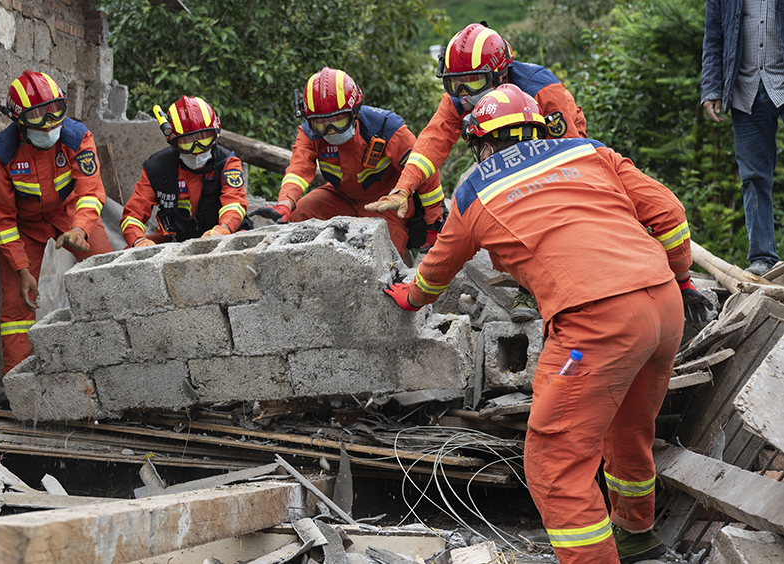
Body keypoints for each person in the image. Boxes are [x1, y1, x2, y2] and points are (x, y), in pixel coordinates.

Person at [382, 85, 712, 564]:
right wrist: (681, 278)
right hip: (663, 305)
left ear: (483, 143)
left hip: (596, 325)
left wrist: (410, 298)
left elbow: (437, 267)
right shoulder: (590, 151)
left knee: (554, 460)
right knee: (628, 430)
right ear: (537, 129)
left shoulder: (476, 188)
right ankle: (637, 538)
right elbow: (670, 214)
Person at [368, 22, 588, 322]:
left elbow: (571, 155)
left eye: (472, 81)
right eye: (454, 83)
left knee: (545, 208)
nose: (462, 92)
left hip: (551, 149)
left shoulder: (542, 90)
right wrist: (403, 187)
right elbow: (431, 143)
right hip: (497, 150)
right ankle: (528, 277)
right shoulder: (460, 98)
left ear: (500, 73)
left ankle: (542, 284)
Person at [0, 70, 114, 374]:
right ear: (19, 120)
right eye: (38, 115)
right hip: (24, 226)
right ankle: (18, 383)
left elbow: (90, 191)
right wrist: (22, 269)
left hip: (70, 214)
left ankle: (114, 361)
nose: (49, 121)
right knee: (18, 308)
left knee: (108, 271)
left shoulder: (78, 138)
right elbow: (1, 219)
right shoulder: (1, 155)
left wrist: (80, 228)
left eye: (54, 110)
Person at [249, 67, 446, 256]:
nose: (330, 131)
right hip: (340, 197)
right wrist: (284, 203)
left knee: (383, 251)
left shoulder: (387, 128)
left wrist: (434, 222)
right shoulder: (309, 134)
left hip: (386, 201)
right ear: (309, 119)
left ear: (355, 112)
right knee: (301, 212)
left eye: (339, 121)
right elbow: (298, 169)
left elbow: (424, 172)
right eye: (321, 124)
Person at [701, 0, 784, 277]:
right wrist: (711, 87)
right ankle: (762, 258)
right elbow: (713, 36)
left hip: (781, 80)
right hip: (745, 87)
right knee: (753, 177)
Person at [120, 96, 248, 247]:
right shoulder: (156, 168)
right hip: (176, 239)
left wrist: (224, 229)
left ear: (216, 133)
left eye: (204, 138)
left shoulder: (227, 162)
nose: (197, 149)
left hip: (223, 234)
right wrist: (139, 241)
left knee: (243, 242)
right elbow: (132, 215)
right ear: (173, 141)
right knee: (131, 249)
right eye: (187, 142)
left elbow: (234, 202)